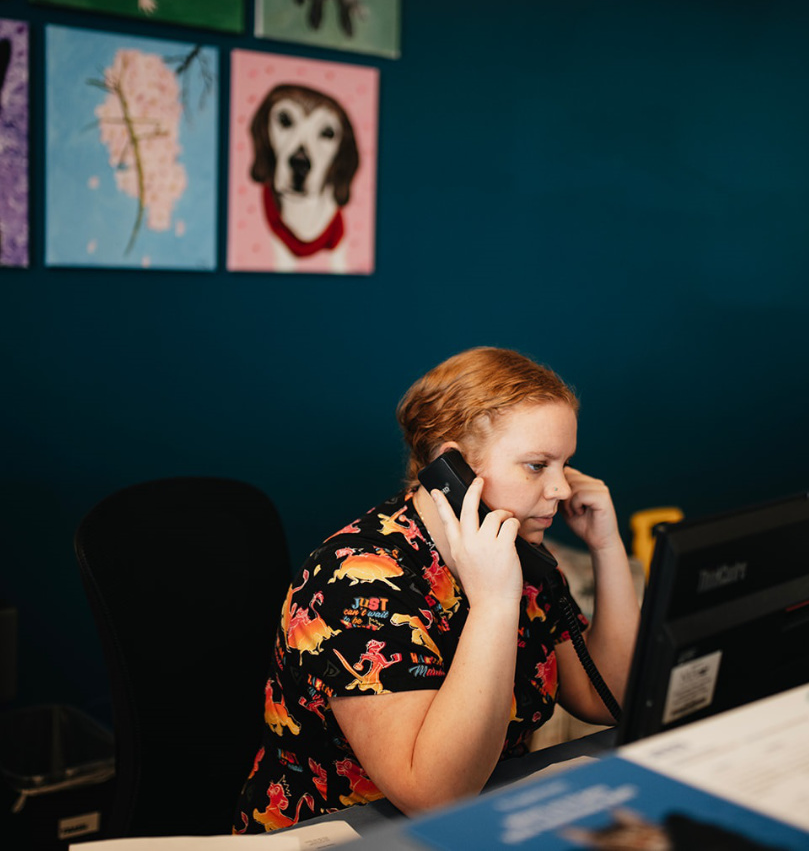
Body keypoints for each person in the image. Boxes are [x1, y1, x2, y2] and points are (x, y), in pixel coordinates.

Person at [233, 347, 640, 833]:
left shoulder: (515, 547)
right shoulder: (356, 580)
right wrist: (494, 602)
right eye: (537, 465)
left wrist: (606, 547)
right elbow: (434, 794)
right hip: (349, 835)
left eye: (565, 464)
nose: (562, 489)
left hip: (488, 818)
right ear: (453, 467)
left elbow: (605, 696)